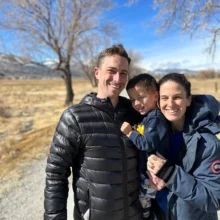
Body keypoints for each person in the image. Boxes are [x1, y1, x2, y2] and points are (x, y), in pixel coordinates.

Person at [44, 44, 143, 220]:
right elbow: (56, 174)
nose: (117, 78)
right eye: (111, 71)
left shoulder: (134, 113)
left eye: (123, 73)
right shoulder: (75, 117)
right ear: (97, 72)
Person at [147, 73, 220, 220]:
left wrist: (170, 174)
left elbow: (214, 199)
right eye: (164, 98)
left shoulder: (207, 143)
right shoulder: (157, 133)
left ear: (188, 100)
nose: (171, 104)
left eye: (177, 97)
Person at [120, 73, 169, 220]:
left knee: (144, 199)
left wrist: (130, 133)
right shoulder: (148, 116)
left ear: (155, 96)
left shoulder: (155, 118)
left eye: (141, 97)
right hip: (150, 171)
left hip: (155, 174)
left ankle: (148, 217)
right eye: (133, 99)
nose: (136, 103)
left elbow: (147, 144)